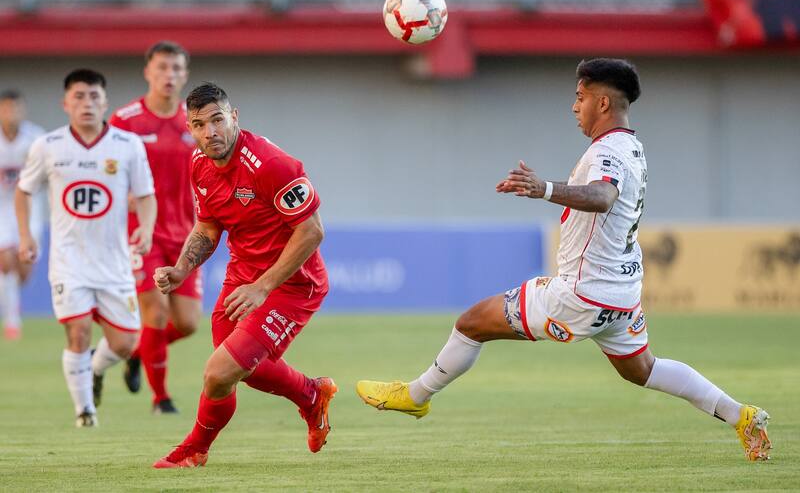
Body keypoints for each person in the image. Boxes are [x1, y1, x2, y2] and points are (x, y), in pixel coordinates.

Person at [356, 58, 772, 462]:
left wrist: (546, 189)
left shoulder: (608, 152)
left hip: (582, 294)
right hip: (620, 292)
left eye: (580, 96)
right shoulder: (633, 146)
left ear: (603, 103)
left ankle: (416, 396)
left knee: (470, 324)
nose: (574, 106)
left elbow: (603, 196)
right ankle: (741, 415)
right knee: (642, 369)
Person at [151, 82, 335, 468]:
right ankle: (311, 395)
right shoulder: (199, 164)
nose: (210, 132)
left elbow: (312, 231)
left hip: (292, 285)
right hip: (243, 279)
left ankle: (194, 450)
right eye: (199, 124)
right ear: (190, 127)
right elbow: (207, 226)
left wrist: (263, 287)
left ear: (234, 118)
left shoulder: (270, 164)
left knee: (219, 372)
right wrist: (183, 268)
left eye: (217, 120)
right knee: (233, 373)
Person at [14, 69, 156, 427]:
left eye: (94, 96)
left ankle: (95, 367)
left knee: (125, 344)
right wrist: (27, 235)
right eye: (79, 96)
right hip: (69, 261)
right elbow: (23, 190)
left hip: (114, 262)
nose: (87, 103)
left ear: (105, 102)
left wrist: (148, 228)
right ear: (66, 104)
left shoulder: (127, 145)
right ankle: (85, 411)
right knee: (77, 331)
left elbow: (146, 195)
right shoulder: (47, 146)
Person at [109, 41, 201, 414]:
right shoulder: (126, 120)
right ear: (148, 72)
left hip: (187, 235)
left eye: (177, 69)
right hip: (141, 234)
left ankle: (138, 352)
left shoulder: (193, 122)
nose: (170, 75)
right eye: (162, 67)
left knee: (189, 323)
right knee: (156, 315)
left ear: (185, 75)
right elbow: (104, 169)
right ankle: (160, 398)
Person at [0, 90, 45, 340]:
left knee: (23, 267)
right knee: (5, 259)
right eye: (6, 108)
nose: (11, 113)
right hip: (1, 208)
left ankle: (10, 298)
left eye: (15, 108)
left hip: (29, 207)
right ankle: (12, 321)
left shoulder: (35, 138)